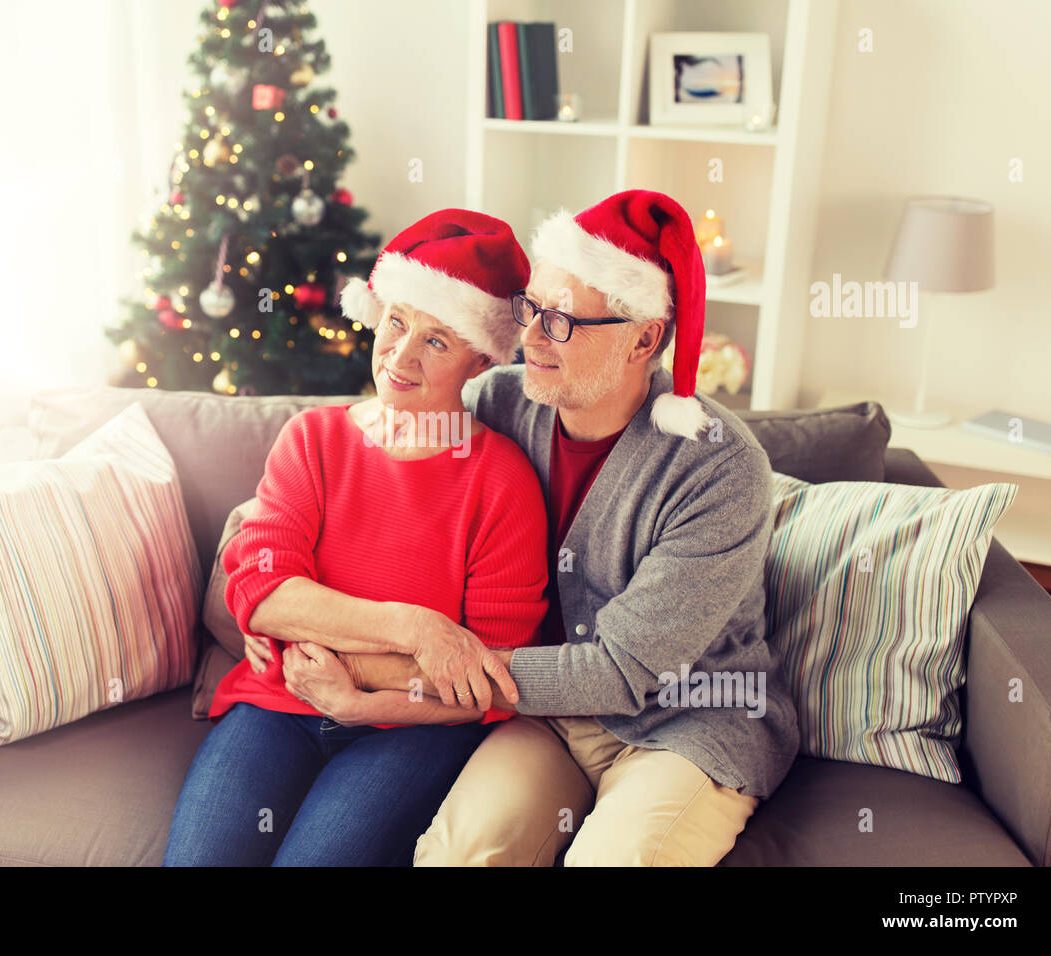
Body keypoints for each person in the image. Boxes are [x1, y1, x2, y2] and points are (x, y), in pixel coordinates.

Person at [302, 189, 801, 866]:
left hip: (684, 724)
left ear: (645, 337)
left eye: (561, 321)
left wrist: (377, 673)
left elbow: (621, 673)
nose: (529, 338)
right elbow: (365, 467)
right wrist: (260, 583)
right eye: (531, 308)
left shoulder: (720, 468)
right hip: (541, 718)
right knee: (456, 856)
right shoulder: (501, 402)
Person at [162, 209, 549, 867]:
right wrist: (419, 629)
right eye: (396, 322)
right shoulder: (313, 441)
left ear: (481, 358)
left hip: (410, 730)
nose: (399, 356)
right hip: (278, 703)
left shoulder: (503, 482)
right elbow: (261, 592)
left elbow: (487, 678)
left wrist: (354, 690)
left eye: (436, 341)